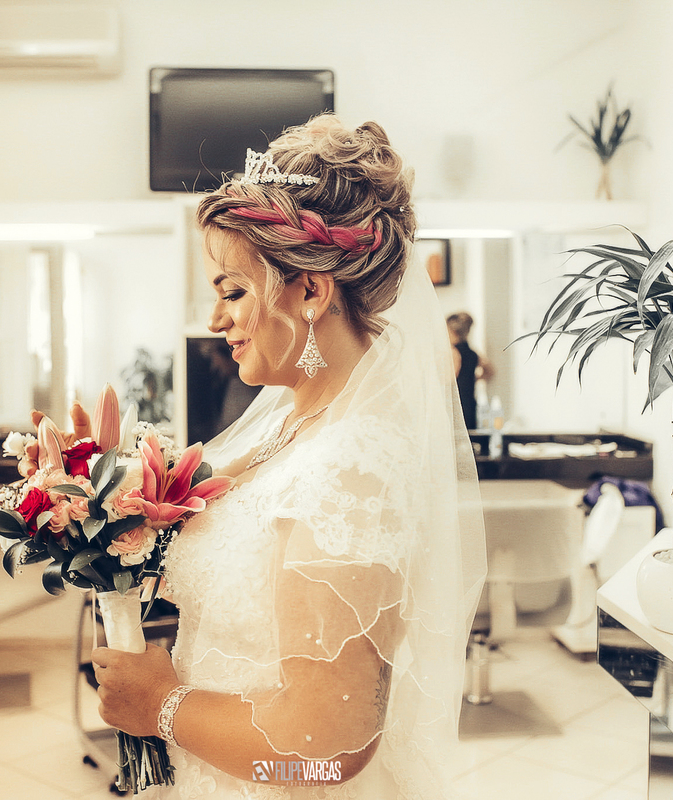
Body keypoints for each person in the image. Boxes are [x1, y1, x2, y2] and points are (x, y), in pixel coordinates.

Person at [78, 116, 484, 797]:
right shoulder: (287, 428)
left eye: (233, 291)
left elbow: (329, 752)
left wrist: (162, 708)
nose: (216, 320)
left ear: (311, 292)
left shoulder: (351, 468)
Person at [446, 311, 494, 430]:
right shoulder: (473, 353)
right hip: (470, 404)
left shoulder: (453, 352)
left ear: (453, 331)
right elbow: (490, 370)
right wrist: (473, 378)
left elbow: (450, 380)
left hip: (457, 406)